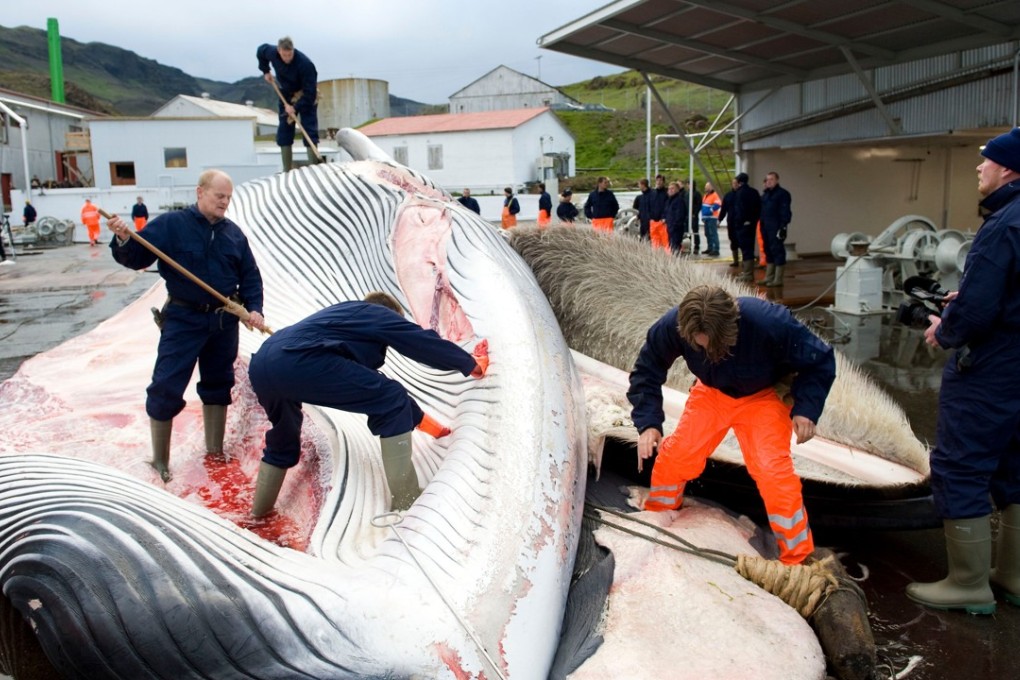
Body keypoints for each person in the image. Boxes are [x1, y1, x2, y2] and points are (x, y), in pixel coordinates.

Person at [627, 285, 835, 565]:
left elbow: (819, 360)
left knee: (772, 470)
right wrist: (648, 423)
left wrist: (806, 409)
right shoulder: (672, 325)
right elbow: (647, 370)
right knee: (678, 454)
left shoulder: (770, 322)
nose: (709, 351)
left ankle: (797, 557)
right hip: (711, 393)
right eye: (701, 345)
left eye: (717, 345)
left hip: (764, 396)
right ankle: (660, 513)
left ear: (732, 325)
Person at [905, 128, 1020, 615]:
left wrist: (946, 329)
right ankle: (1013, 576)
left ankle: (968, 583)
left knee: (961, 464)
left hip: (992, 366)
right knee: (1015, 466)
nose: (979, 167)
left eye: (986, 161)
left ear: (1009, 170)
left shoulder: (1002, 226)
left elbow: (976, 315)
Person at [247, 292, 489, 515]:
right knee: (391, 399)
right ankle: (406, 499)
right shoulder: (376, 313)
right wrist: (469, 364)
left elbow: (370, 384)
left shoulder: (343, 317)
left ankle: (258, 515)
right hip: (300, 362)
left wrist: (432, 427)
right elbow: (420, 341)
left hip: (264, 365)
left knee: (284, 437)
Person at [106, 169, 267, 483]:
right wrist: (124, 237)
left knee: (219, 384)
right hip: (183, 318)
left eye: (228, 198)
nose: (225, 203)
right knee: (166, 384)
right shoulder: (171, 225)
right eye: (219, 196)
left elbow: (250, 277)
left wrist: (255, 310)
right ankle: (160, 460)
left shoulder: (234, 234)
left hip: (223, 320)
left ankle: (214, 451)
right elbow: (137, 257)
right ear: (200, 192)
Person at [257, 36, 320, 172]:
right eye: (284, 55)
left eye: (289, 54)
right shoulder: (271, 52)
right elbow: (260, 51)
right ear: (279, 51)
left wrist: (295, 107)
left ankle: (314, 168)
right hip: (286, 95)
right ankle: (287, 169)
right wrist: (266, 71)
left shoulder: (305, 64)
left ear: (293, 50)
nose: (287, 58)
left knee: (309, 129)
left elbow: (311, 94)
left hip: (305, 95)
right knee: (284, 130)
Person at [759, 172, 792, 287]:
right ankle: (769, 276)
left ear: (777, 180)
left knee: (777, 250)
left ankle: (778, 278)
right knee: (768, 250)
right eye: (767, 179)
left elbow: (785, 211)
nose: (769, 181)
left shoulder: (782, 194)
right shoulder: (765, 195)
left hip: (776, 226)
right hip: (765, 226)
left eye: (771, 179)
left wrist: (783, 226)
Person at [732, 173, 762, 282]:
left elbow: (740, 210)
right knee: (750, 247)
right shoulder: (754, 192)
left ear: (739, 182)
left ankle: (748, 273)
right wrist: (753, 220)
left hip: (742, 225)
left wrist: (740, 222)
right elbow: (759, 207)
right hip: (752, 224)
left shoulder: (740, 193)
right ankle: (747, 272)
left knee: (745, 249)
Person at [717, 178, 741, 268]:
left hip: (741, 222)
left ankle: (744, 261)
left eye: (736, 183)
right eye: (733, 183)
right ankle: (736, 260)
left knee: (742, 241)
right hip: (731, 221)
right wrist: (719, 219)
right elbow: (723, 209)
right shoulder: (728, 196)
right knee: (733, 240)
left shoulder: (743, 195)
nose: (735, 185)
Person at [663, 181, 687, 253]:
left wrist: (675, 225)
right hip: (670, 227)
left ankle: (676, 260)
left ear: (677, 190)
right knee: (671, 245)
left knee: (675, 246)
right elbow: (666, 212)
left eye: (672, 188)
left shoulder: (679, 200)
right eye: (669, 189)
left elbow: (680, 215)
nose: (670, 190)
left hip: (676, 228)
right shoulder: (669, 201)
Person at [701, 181, 721, 257]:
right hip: (706, 217)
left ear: (711, 187)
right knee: (707, 233)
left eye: (707, 186)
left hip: (712, 217)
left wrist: (710, 211)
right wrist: (703, 216)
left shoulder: (715, 195)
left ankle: (716, 249)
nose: (705, 188)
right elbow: (703, 206)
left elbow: (718, 205)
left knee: (713, 233)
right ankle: (710, 248)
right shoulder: (706, 195)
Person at [648, 174, 668, 248]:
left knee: (665, 241)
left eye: (660, 180)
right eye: (657, 180)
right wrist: (650, 217)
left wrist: (665, 217)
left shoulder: (667, 193)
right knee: (655, 241)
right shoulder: (652, 193)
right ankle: (656, 256)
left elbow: (668, 206)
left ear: (663, 182)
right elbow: (649, 205)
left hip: (663, 222)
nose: (658, 182)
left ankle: (667, 257)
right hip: (653, 221)